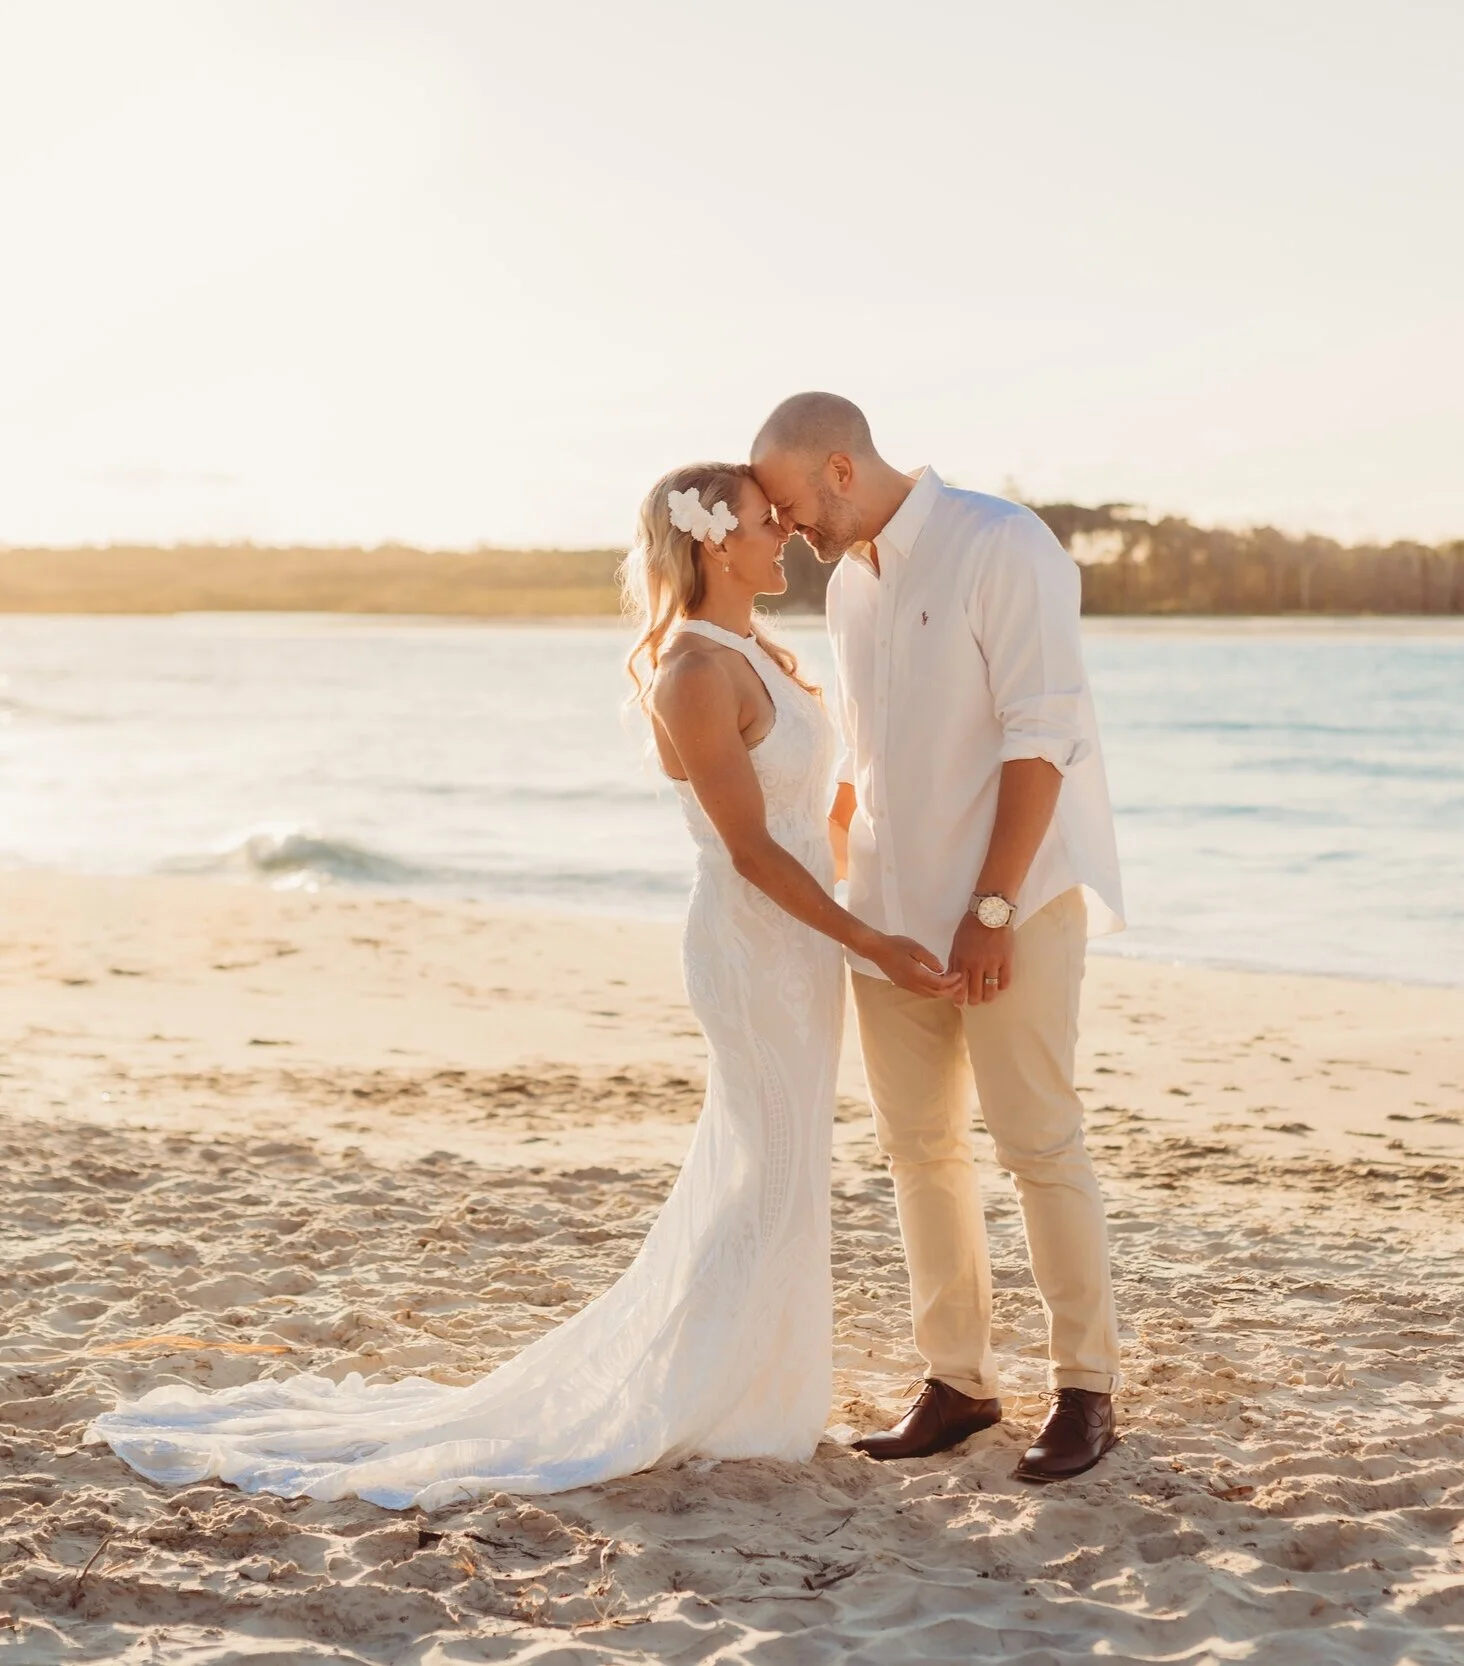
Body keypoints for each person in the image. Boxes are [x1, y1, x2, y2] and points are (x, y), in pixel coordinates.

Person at [84, 461, 955, 1510]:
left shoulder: (760, 649)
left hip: (800, 948)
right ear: (716, 541)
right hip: (754, 946)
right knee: (763, 1165)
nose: (789, 539)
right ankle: (721, 1390)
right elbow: (752, 854)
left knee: (776, 1160)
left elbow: (819, 810)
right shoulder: (691, 670)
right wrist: (869, 937)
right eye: (772, 525)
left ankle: (755, 1378)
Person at [751, 394, 1127, 1483]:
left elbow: (1043, 733)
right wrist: (834, 896)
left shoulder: (1000, 543)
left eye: (785, 504)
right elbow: (869, 761)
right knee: (920, 1152)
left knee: (1038, 1143)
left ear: (836, 466)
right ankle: (957, 1381)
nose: (783, 530)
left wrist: (994, 905)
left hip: (1008, 906)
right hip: (890, 917)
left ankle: (1086, 1388)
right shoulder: (850, 588)